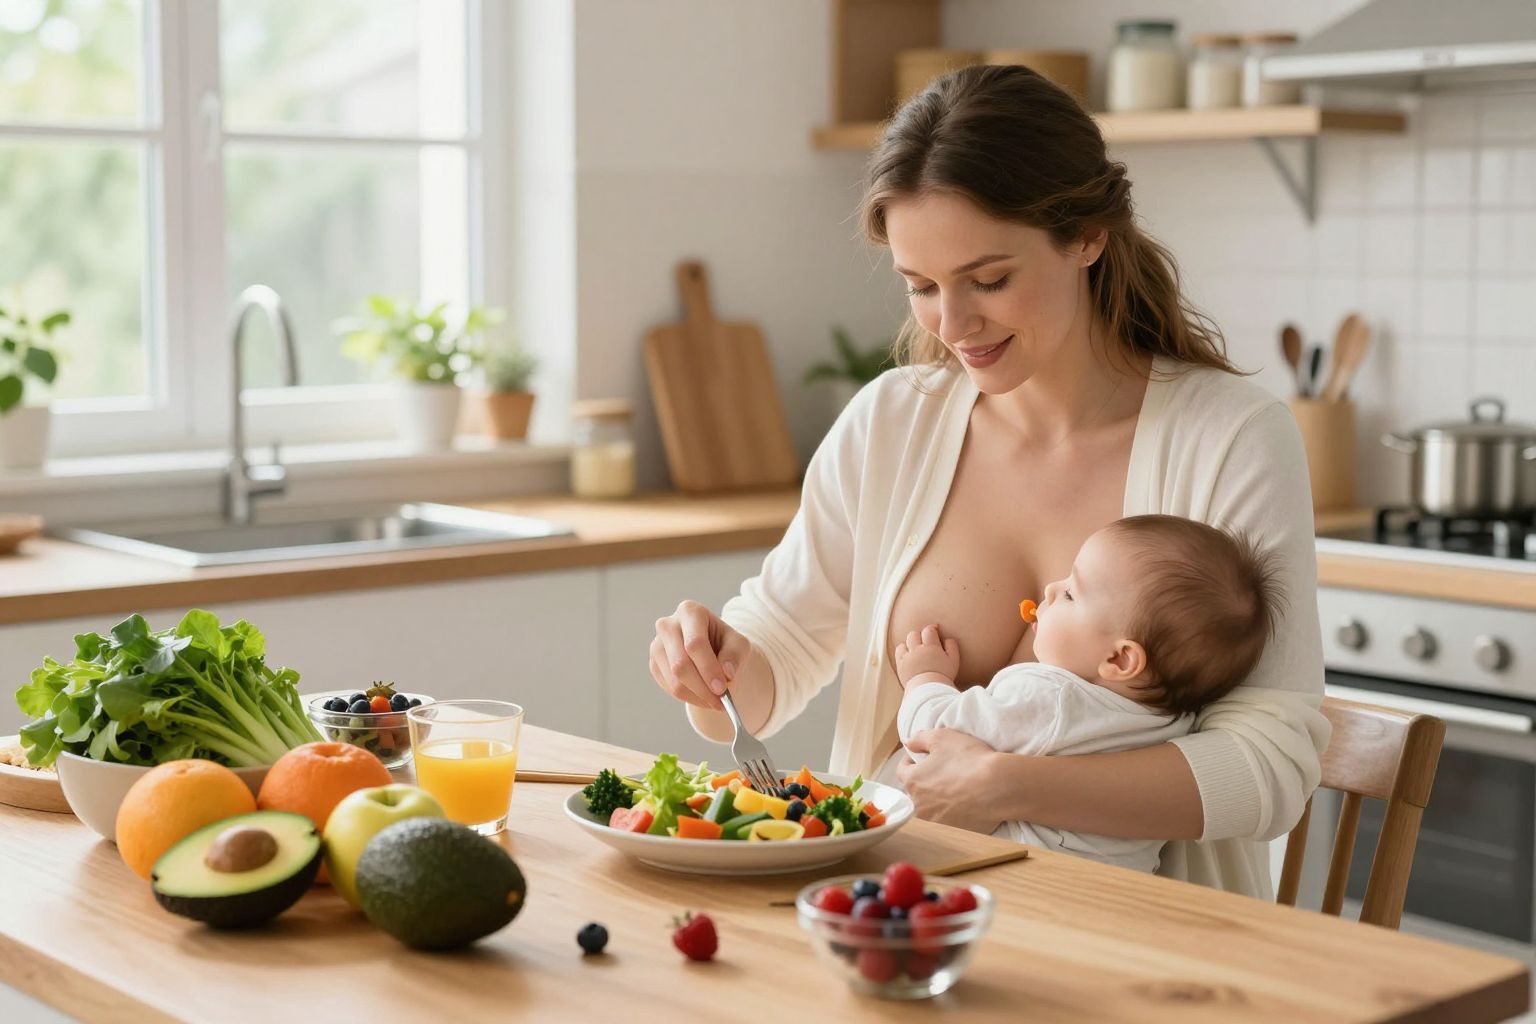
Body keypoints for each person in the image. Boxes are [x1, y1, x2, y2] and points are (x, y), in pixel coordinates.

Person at [647, 63, 1329, 898]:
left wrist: (1011, 784)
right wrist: (711, 665)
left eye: (990, 280)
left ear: (1086, 235)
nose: (953, 325)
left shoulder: (1231, 437)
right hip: (892, 925)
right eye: (922, 287)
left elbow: (1272, 765)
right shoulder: (890, 421)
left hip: (1152, 953)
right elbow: (774, 662)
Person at [893, 515, 1283, 873]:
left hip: (1022, 884)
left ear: (1118, 658)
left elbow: (934, 734)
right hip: (1111, 893)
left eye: (1070, 595)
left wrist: (925, 677)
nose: (1050, 587)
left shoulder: (1048, 696)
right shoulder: (1174, 724)